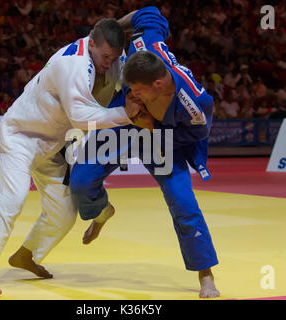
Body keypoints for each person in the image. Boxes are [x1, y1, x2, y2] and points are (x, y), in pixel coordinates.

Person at [0, 18, 142, 298]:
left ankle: (27, 255)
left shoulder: (106, 53)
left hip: (51, 144)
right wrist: (127, 114)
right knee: (9, 200)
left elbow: (120, 35)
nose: (110, 63)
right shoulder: (72, 65)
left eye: (114, 57)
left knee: (64, 212)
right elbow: (81, 117)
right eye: (106, 56)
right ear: (92, 43)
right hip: (20, 138)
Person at [70, 7, 220, 298]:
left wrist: (153, 128)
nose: (132, 93)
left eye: (137, 90)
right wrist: (114, 25)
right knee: (80, 180)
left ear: (159, 84)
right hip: (127, 125)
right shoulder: (145, 45)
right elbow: (148, 12)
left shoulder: (195, 102)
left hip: (165, 141)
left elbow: (198, 135)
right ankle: (100, 213)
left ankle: (206, 275)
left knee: (183, 204)